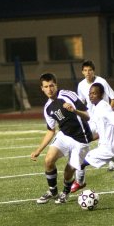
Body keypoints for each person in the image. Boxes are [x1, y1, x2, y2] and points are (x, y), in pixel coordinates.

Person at [30, 72, 93, 204]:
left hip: (81, 139)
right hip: (64, 135)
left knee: (68, 171)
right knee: (48, 161)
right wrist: (38, 150)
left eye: (51, 85)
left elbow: (87, 116)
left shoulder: (68, 95)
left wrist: (74, 110)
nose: (49, 89)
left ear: (56, 85)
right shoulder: (47, 107)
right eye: (46, 87)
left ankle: (65, 192)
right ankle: (53, 192)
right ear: (42, 88)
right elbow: (51, 131)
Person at [71, 59, 114, 190]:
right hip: (91, 119)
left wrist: (108, 113)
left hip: (102, 119)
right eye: (85, 70)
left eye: (90, 70)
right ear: (82, 72)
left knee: (107, 141)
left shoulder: (101, 81)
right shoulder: (81, 85)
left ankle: (112, 162)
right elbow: (81, 102)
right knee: (82, 141)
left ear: (94, 71)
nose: (88, 73)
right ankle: (80, 177)